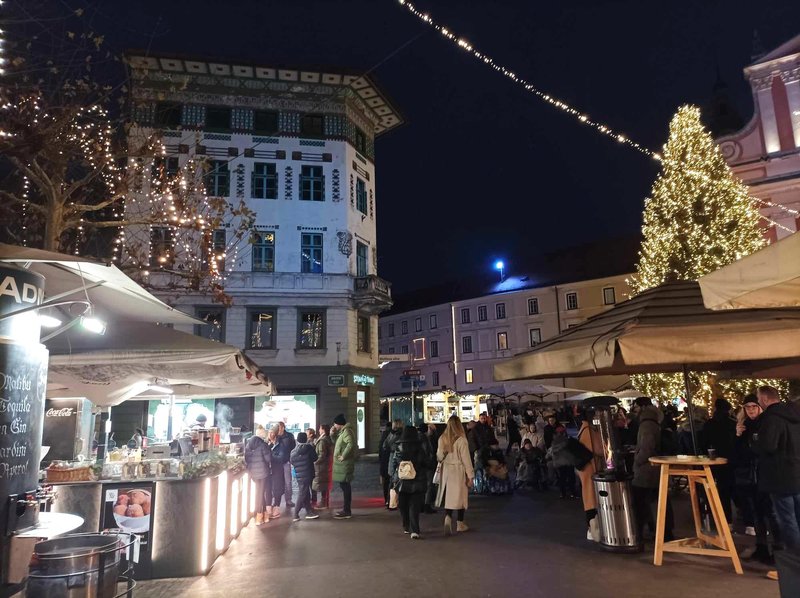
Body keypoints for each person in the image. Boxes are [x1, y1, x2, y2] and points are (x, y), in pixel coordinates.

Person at [754, 385, 800, 587]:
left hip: (780, 478)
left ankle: (795, 563)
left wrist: (754, 442)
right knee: (797, 519)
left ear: (764, 399)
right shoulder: (794, 415)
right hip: (797, 474)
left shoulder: (771, 419)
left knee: (788, 522)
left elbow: (769, 446)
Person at [734, 394, 780, 565]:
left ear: (760, 407)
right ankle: (761, 547)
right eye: (748, 407)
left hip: (766, 475)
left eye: (754, 406)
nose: (751, 410)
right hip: (750, 477)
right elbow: (738, 454)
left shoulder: (766, 423)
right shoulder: (744, 426)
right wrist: (738, 436)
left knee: (771, 514)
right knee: (757, 514)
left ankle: (777, 551)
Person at [631, 398, 674, 542]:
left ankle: (641, 533)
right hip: (655, 469)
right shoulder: (654, 421)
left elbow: (647, 447)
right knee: (658, 500)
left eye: (635, 406)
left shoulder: (647, 424)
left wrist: (637, 460)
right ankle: (663, 531)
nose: (633, 409)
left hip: (646, 470)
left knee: (640, 501)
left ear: (643, 407)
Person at [436, 415, 475, 535]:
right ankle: (460, 522)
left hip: (447, 470)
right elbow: (466, 459)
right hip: (458, 470)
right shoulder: (461, 440)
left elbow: (439, 457)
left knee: (449, 496)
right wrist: (470, 476)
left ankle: (448, 517)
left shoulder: (442, 438)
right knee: (460, 496)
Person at [702, 398, 737, 523]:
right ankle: (735, 517)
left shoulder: (709, 424)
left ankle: (723, 519)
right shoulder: (733, 424)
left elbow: (703, 443)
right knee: (731, 489)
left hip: (714, 459)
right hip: (731, 460)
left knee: (721, 491)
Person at [390, 426, 429, 538]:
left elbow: (394, 463)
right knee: (414, 506)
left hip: (402, 481)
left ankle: (406, 526)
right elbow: (425, 461)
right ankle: (415, 530)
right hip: (417, 480)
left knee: (403, 505)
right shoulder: (419, 446)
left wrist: (394, 478)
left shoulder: (398, 446)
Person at [576, 411, 603, 542]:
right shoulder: (588, 430)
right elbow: (598, 449)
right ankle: (592, 529)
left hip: (588, 469)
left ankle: (592, 528)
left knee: (590, 497)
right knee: (590, 498)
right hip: (589, 469)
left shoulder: (585, 428)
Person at [245, 425, 272, 525]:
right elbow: (268, 459)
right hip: (263, 473)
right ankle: (259, 516)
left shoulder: (248, 445)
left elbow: (247, 459)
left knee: (259, 493)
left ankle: (265, 515)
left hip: (253, 473)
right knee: (260, 493)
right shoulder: (263, 445)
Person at [289, 432, 320, 522]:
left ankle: (309, 511)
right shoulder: (309, 448)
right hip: (308, 473)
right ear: (305, 439)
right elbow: (315, 458)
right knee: (302, 493)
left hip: (299, 475)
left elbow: (292, 461)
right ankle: (295, 514)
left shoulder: (293, 451)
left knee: (305, 493)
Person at [331, 414, 357, 519]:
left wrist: (343, 456)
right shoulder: (342, 432)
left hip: (345, 465)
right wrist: (332, 434)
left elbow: (351, 444)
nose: (334, 425)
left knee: (345, 486)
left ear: (339, 424)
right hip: (342, 465)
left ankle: (347, 510)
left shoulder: (347, 432)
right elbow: (337, 443)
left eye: (335, 423)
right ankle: (346, 510)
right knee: (344, 486)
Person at [548, 425, 577, 499]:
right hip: (561, 462)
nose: (563, 434)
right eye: (561, 432)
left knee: (569, 478)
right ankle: (565, 492)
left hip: (566, 461)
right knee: (563, 478)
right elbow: (555, 451)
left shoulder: (565, 440)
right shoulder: (556, 441)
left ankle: (571, 492)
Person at [379, 420, 403, 508]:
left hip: (393, 457)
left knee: (392, 480)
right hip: (400, 458)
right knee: (399, 478)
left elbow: (385, 445)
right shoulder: (401, 434)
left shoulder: (392, 434)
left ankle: (391, 501)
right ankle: (396, 500)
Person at [313, 424, 333, 509]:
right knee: (325, 483)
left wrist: (315, 462)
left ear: (323, 430)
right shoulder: (327, 439)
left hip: (321, 466)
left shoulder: (322, 441)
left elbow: (322, 454)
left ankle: (323, 503)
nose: (318, 430)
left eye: (320, 429)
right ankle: (325, 502)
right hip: (326, 465)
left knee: (321, 484)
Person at [277, 422, 297, 508]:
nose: (278, 428)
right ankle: (276, 500)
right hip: (276, 462)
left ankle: (288, 500)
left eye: (279, 427)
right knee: (277, 481)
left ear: (283, 427)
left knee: (288, 482)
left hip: (286, 461)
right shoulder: (275, 435)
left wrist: (290, 459)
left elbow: (293, 448)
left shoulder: (289, 436)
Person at [421, 423, 439, 513]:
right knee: (429, 485)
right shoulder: (425, 439)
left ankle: (423, 504)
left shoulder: (419, 437)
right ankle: (426, 505)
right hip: (428, 465)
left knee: (425, 484)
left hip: (421, 465)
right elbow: (429, 452)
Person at [267, 426, 285, 519]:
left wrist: (270, 455)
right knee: (268, 489)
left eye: (272, 432)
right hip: (268, 471)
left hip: (277, 470)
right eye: (269, 432)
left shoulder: (281, 445)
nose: (270, 434)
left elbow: (281, 458)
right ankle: (269, 508)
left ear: (275, 434)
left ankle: (277, 508)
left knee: (277, 489)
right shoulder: (267, 444)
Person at [306, 427, 318, 505]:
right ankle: (312, 498)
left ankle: (313, 499)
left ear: (311, 434)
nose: (306, 434)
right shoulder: (309, 441)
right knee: (311, 483)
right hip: (310, 466)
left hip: (311, 465)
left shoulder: (312, 442)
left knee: (311, 483)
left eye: (307, 433)